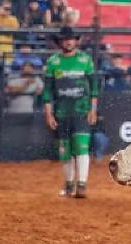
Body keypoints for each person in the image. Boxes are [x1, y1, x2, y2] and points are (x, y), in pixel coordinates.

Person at [42, 27, 99, 199]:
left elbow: (94, 89)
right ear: (60, 42)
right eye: (65, 39)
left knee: (81, 148)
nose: (68, 41)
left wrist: (93, 110)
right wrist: (49, 114)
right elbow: (47, 92)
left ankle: (81, 185)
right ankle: (68, 185)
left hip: (81, 111)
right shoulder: (53, 62)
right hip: (61, 113)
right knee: (65, 152)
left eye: (71, 38)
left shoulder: (85, 60)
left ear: (76, 41)